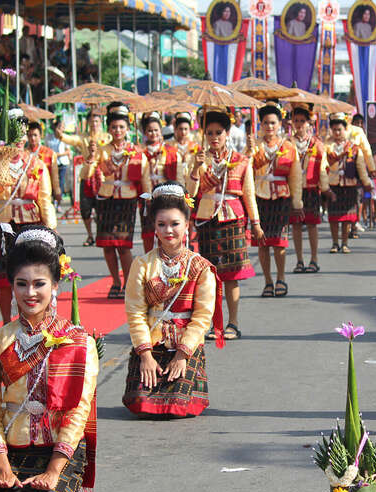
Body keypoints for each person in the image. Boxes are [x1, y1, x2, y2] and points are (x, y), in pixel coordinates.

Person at [0, 225, 98, 492]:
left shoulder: (77, 340)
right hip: (13, 450)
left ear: (56, 285)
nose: (30, 293)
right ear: (12, 286)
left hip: (58, 449)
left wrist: (54, 470)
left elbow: (79, 410)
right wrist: (1, 464)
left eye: (39, 284)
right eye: (22, 284)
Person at [123, 183, 222, 416]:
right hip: (152, 344)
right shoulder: (142, 265)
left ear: (187, 225)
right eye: (162, 224)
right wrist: (145, 355)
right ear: (154, 228)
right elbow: (135, 312)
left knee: (179, 406)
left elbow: (202, 317)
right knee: (141, 404)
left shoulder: (200, 267)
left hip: (184, 346)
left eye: (175, 224)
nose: (169, 230)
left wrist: (182, 355)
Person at [189, 106, 263, 341]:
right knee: (209, 277)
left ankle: (233, 322)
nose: (213, 138)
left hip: (232, 220)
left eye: (218, 132)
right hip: (207, 220)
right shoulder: (199, 160)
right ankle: (213, 324)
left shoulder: (241, 161)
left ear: (227, 133)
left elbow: (248, 194)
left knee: (232, 275)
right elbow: (189, 195)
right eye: (209, 133)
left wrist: (256, 223)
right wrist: (194, 169)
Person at [0, 115, 57, 323]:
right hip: (2, 223)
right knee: (2, 276)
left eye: (23, 133)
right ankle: (6, 321)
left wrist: (51, 228)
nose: (21, 139)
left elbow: (44, 198)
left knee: (32, 275)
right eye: (16, 134)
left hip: (30, 223)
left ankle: (33, 319)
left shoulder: (36, 163)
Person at [92, 108, 150, 299]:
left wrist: (149, 199)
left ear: (127, 129)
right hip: (106, 198)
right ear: (109, 128)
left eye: (121, 127)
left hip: (127, 199)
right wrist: (90, 159)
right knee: (107, 245)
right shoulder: (102, 150)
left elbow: (144, 177)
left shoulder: (136, 152)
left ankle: (128, 281)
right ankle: (115, 281)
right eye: (114, 126)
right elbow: (87, 173)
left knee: (124, 246)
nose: (117, 130)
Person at [249, 103, 302, 297]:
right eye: (265, 123)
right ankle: (268, 282)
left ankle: (281, 278)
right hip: (259, 196)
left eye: (273, 123)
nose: (269, 127)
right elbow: (247, 173)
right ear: (260, 124)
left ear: (280, 124)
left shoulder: (289, 147)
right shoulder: (253, 146)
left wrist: (297, 203)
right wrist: (248, 153)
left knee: (279, 242)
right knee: (262, 242)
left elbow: (295, 177)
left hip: (281, 197)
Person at [56, 112, 111, 247]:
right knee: (85, 208)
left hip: (102, 176)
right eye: (92, 121)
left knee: (102, 208)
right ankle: (90, 235)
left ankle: (100, 234)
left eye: (97, 121)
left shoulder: (107, 137)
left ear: (101, 122)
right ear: (87, 123)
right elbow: (68, 139)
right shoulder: (83, 138)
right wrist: (60, 133)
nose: (94, 124)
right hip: (86, 175)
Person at [289, 105, 330, 274]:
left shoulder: (317, 144)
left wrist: (326, 187)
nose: (299, 124)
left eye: (302, 121)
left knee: (312, 225)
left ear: (309, 123)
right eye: (296, 121)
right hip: (293, 190)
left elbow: (323, 167)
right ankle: (299, 260)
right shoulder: (287, 143)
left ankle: (314, 259)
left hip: (311, 188)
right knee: (296, 226)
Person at [325, 113, 372, 252]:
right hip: (333, 184)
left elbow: (361, 167)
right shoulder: (328, 146)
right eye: (334, 130)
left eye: (340, 129)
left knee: (346, 217)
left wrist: (366, 182)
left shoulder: (354, 147)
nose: (337, 132)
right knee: (333, 217)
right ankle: (334, 243)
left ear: (346, 130)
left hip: (349, 184)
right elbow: (323, 165)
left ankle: (344, 243)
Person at [140, 112, 181, 252]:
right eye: (149, 130)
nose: (153, 133)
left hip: (166, 196)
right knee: (148, 234)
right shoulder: (139, 151)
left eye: (156, 130)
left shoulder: (170, 151)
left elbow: (178, 176)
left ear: (161, 131)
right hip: (147, 197)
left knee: (166, 233)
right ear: (145, 132)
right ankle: (149, 264)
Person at [26, 122, 61, 206]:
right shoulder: (24, 154)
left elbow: (54, 176)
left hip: (45, 193)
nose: (32, 138)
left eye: (35, 135)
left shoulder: (50, 153)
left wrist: (57, 191)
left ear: (40, 136)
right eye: (30, 135)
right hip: (28, 195)